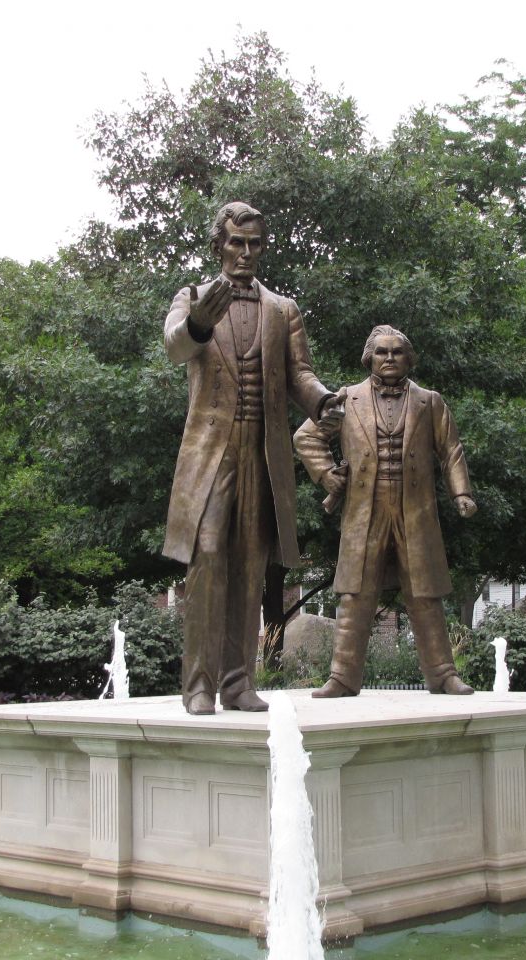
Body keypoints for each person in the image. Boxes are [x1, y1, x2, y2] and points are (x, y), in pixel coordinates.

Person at [162, 202, 338, 716]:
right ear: (219, 244)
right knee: (209, 555)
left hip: (263, 451)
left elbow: (300, 374)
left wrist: (325, 401)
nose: (245, 252)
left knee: (249, 566)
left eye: (254, 243)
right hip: (212, 451)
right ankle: (198, 684)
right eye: (236, 242)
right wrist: (198, 321)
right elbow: (175, 347)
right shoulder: (192, 297)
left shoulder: (283, 310)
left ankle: (238, 684)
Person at [294, 324, 476, 697]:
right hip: (365, 509)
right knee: (355, 593)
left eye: (397, 352)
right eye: (382, 352)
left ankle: (442, 675)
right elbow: (305, 436)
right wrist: (328, 475)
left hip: (416, 510)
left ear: (409, 359)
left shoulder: (430, 401)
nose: (389, 358)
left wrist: (461, 493)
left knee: (425, 593)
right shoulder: (346, 398)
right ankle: (343, 678)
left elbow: (451, 451)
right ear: (369, 358)